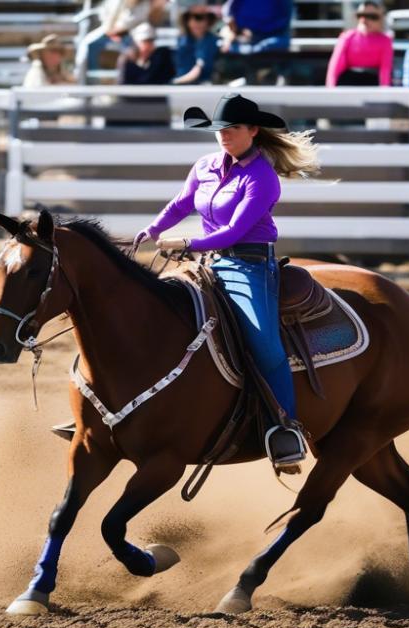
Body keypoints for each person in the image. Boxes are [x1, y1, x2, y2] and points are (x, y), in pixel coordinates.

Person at [135, 93, 321, 473]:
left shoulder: (263, 177)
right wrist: (152, 228)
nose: (224, 136)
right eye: (219, 129)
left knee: (265, 344)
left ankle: (285, 429)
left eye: (232, 129)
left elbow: (236, 230)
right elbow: (182, 203)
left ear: (253, 130)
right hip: (208, 261)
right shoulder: (205, 165)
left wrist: (187, 242)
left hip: (248, 266)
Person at [75, 0, 167, 82]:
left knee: (132, 53)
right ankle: (88, 83)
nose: (166, 2)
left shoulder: (154, 11)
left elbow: (145, 31)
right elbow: (111, 23)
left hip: (132, 37)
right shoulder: (126, 3)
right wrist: (113, 32)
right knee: (89, 45)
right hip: (113, 32)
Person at [325, 0, 394, 87]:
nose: (365, 20)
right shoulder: (347, 37)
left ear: (380, 19)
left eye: (372, 17)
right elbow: (335, 66)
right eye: (361, 15)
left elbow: (385, 70)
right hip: (349, 86)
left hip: (373, 86)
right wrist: (331, 88)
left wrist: (384, 93)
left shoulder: (385, 41)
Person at [220, 0, 292, 54]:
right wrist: (235, 32)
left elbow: (284, 20)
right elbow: (227, 14)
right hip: (242, 37)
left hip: (272, 37)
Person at [173, 3, 218, 84]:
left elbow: (198, 69)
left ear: (207, 21)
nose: (196, 22)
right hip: (180, 85)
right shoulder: (182, 39)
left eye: (200, 18)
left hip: (201, 86)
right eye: (193, 17)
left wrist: (175, 82)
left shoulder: (210, 41)